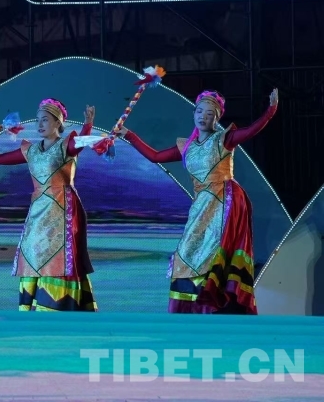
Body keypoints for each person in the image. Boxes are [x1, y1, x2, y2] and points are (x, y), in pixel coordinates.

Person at [117, 89, 278, 314]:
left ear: (216, 118)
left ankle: (213, 304)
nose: (203, 116)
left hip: (223, 202)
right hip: (201, 204)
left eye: (210, 114)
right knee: (188, 250)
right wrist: (128, 134)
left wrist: (270, 112)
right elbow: (155, 156)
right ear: (194, 113)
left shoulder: (223, 140)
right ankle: (189, 306)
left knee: (213, 251)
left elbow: (250, 131)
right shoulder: (188, 147)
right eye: (200, 111)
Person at [0, 100, 97, 312]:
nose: (40, 124)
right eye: (38, 120)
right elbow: (0, 159)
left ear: (58, 122)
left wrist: (88, 125)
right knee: (33, 251)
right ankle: (33, 304)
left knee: (57, 253)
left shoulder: (67, 145)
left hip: (62, 208)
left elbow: (83, 143)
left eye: (45, 120)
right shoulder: (32, 150)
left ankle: (58, 304)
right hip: (39, 209)